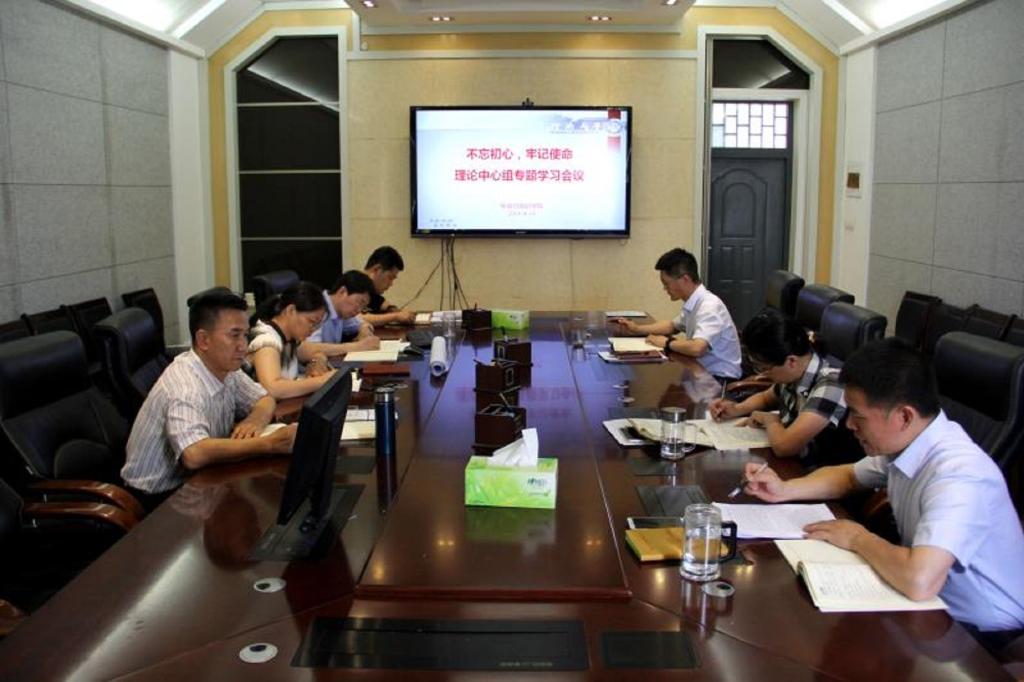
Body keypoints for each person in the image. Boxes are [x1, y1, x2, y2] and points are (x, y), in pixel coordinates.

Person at [743, 338, 1024, 644]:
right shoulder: (909, 442)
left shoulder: (959, 474)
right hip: (928, 607)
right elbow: (848, 477)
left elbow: (920, 580)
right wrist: (784, 489)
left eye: (857, 415)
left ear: (904, 416)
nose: (849, 424)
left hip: (982, 632)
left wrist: (858, 538)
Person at [121, 290, 296, 498]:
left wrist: (255, 421)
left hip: (199, 479)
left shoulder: (226, 368)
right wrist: (270, 444)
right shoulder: (185, 386)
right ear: (203, 340)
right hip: (158, 497)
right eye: (234, 335)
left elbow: (264, 399)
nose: (244, 346)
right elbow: (194, 454)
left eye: (245, 335)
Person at [709, 308, 863, 464]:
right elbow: (765, 398)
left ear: (791, 361)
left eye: (764, 368)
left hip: (817, 469)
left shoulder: (832, 385)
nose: (762, 375)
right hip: (791, 461)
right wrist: (736, 409)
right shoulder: (794, 373)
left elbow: (785, 447)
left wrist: (770, 420)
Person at [615, 247, 742, 380]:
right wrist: (636, 329)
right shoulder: (694, 302)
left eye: (666, 283)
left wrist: (667, 343)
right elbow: (671, 326)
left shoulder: (709, 306)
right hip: (700, 372)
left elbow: (697, 348)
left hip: (719, 380)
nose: (665, 289)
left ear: (685, 279)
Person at [247, 280, 336, 400]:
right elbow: (273, 388)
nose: (313, 329)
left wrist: (317, 361)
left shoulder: (290, 337)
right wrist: (322, 381)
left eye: (317, 325)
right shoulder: (267, 341)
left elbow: (315, 352)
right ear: (291, 310)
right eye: (311, 322)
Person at [298, 270, 380, 360]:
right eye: (359, 302)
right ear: (342, 291)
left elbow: (362, 323)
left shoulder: (341, 311)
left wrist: (365, 331)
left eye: (363, 307)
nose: (359, 310)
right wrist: (357, 346)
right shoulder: (317, 306)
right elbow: (308, 348)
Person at [359, 246, 416, 327]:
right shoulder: (353, 285)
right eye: (390, 277)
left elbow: (384, 304)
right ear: (377, 269)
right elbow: (357, 319)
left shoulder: (371, 290)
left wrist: (393, 310)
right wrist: (395, 317)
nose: (391, 284)